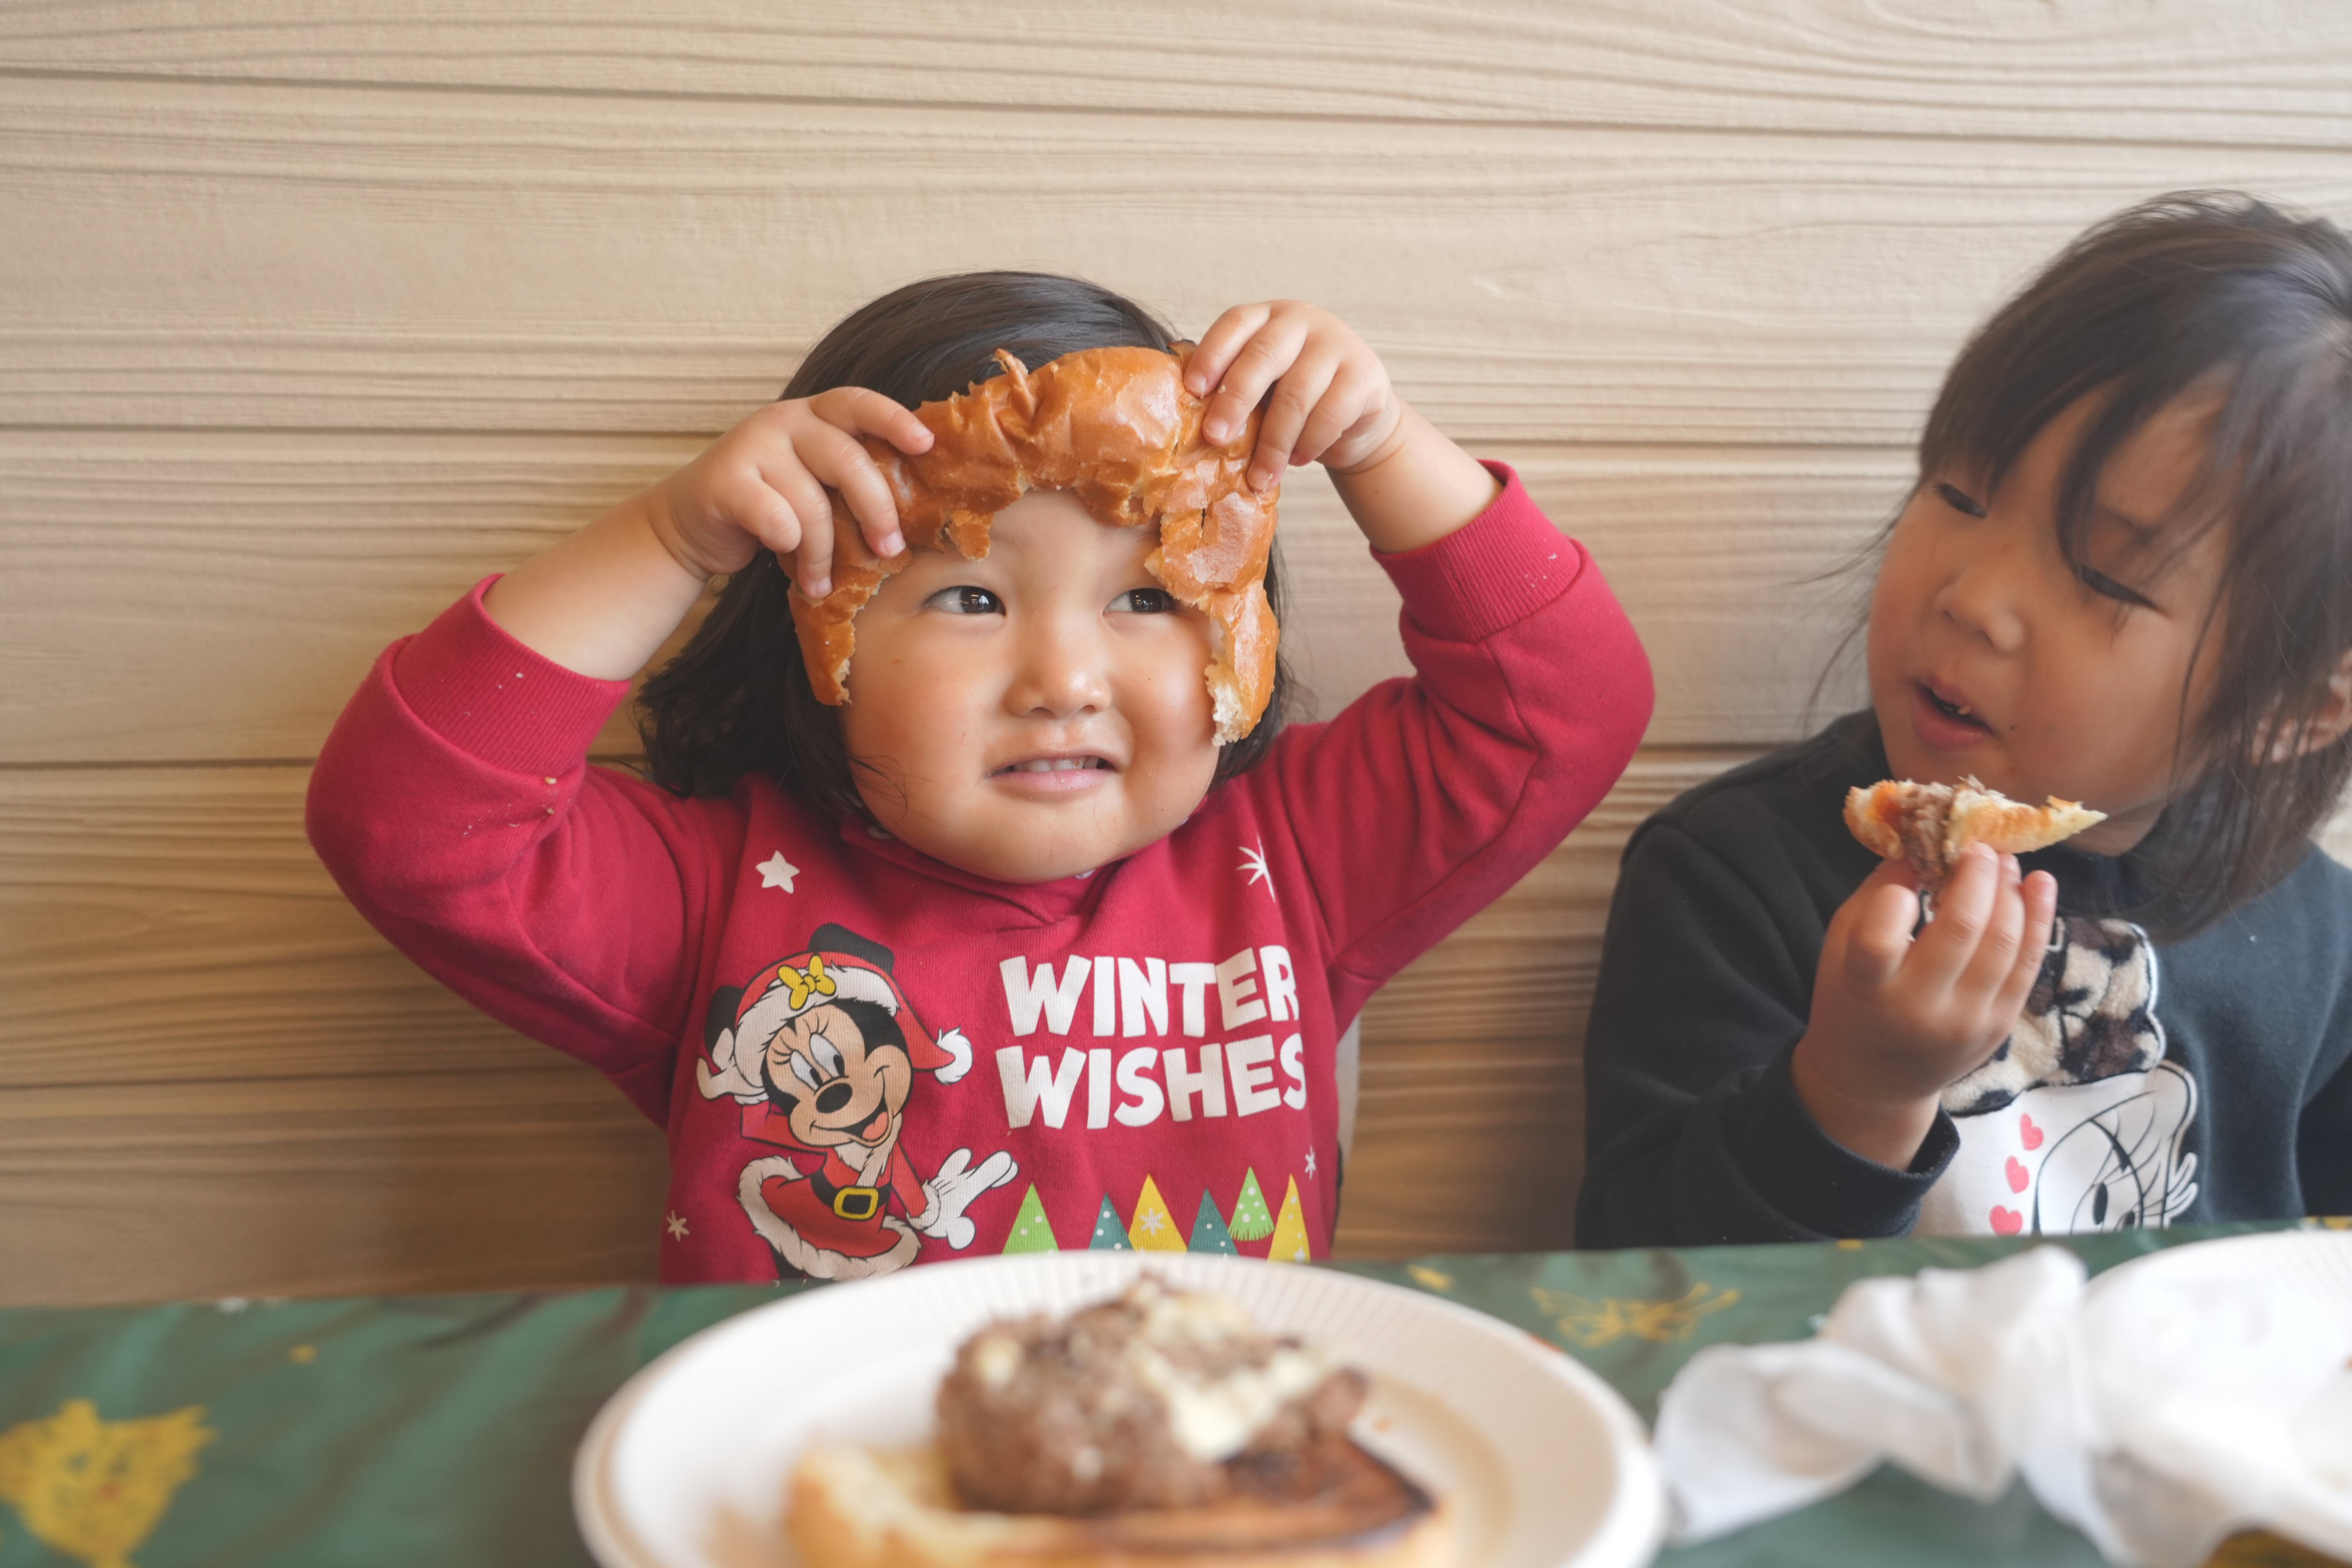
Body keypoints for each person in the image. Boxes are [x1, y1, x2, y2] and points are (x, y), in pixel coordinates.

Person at [308, 271, 1653, 1281]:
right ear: (823, 639)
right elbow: (409, 822)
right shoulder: (713, 893)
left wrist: (1379, 442)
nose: (1064, 678)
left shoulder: (1296, 852)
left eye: (1148, 599)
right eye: (968, 597)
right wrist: (675, 537)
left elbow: (1569, 707)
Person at [1579, 192, 2352, 1248]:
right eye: (1961, 497)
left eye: (2103, 575)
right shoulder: (1737, 878)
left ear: (2290, 707)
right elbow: (1646, 1285)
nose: (1974, 599)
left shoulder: (2320, 940)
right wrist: (1853, 1094)